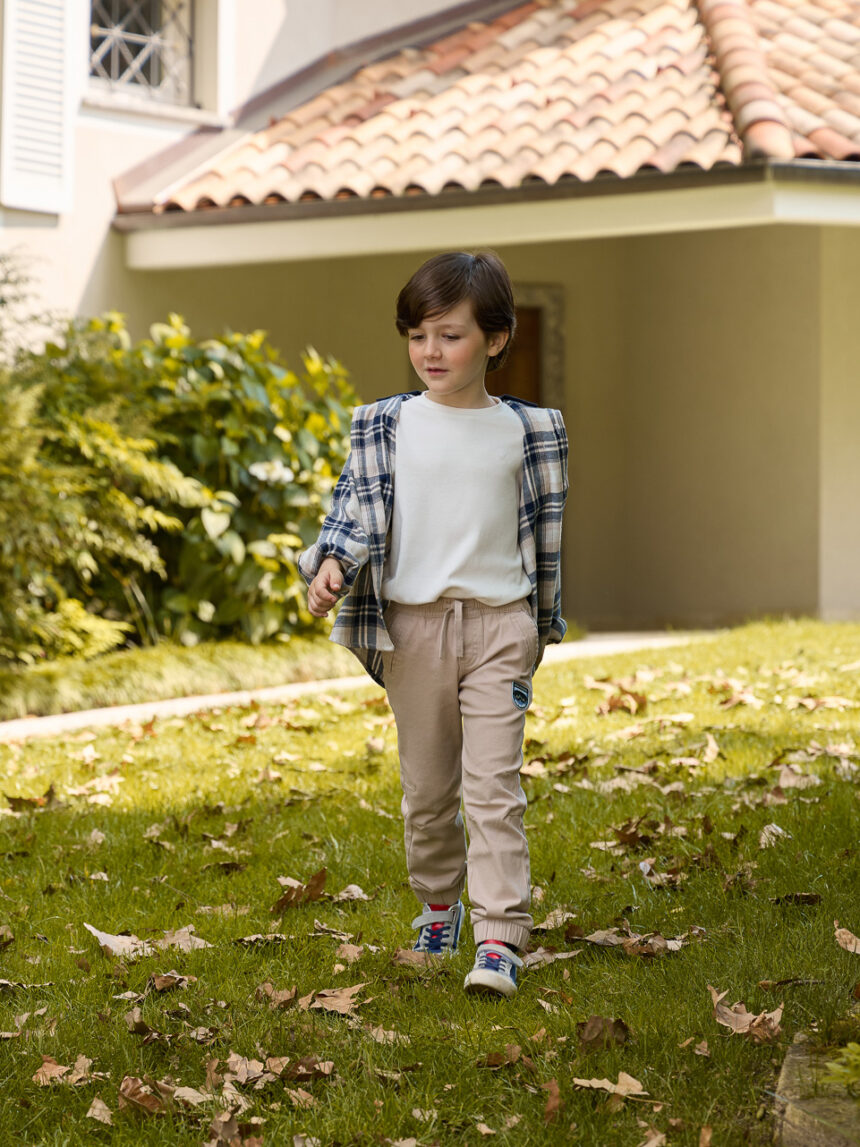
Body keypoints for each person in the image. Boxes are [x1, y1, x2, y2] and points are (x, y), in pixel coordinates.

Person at [298, 251, 568, 998]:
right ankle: (441, 905)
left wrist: (537, 624)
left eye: (449, 335)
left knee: (493, 788)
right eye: (417, 335)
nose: (430, 352)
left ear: (496, 338)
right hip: (412, 631)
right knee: (427, 792)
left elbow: (543, 534)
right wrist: (329, 565)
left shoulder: (531, 433)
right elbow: (350, 514)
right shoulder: (385, 425)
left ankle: (501, 937)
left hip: (499, 626)